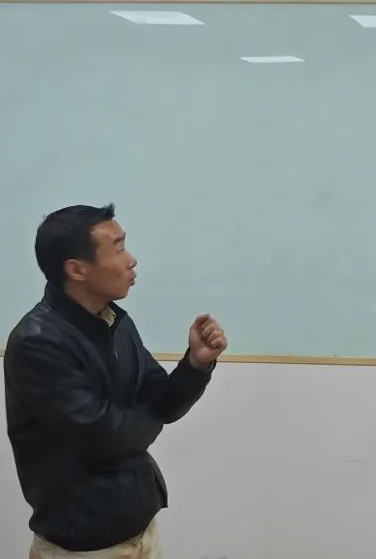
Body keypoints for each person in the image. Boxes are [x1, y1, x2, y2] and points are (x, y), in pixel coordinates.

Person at [4, 204, 228, 558]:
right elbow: (106, 437)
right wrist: (149, 416)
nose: (131, 260)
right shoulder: (38, 342)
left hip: (140, 530)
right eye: (119, 248)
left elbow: (162, 402)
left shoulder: (114, 321)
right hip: (82, 546)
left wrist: (195, 364)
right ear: (77, 269)